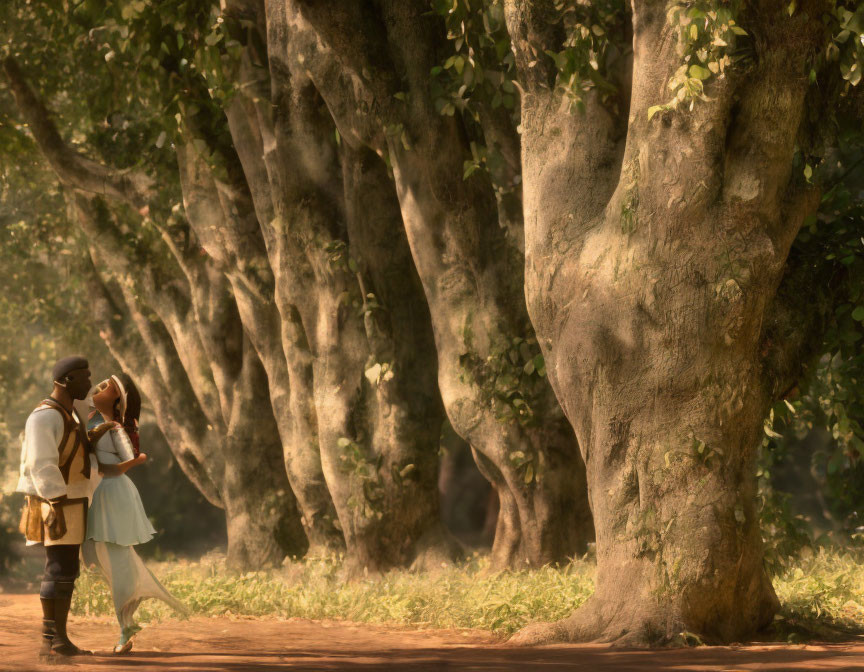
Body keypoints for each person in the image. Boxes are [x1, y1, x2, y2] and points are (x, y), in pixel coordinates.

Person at [16, 356, 141, 660]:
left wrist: (91, 437)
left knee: (67, 570)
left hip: (72, 501)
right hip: (56, 503)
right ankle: (50, 642)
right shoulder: (44, 416)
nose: (90, 382)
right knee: (57, 568)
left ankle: (59, 639)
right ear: (66, 381)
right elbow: (41, 464)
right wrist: (55, 503)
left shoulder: (68, 413)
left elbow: (71, 451)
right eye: (84, 377)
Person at [82, 373, 188, 654]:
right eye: (102, 383)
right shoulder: (92, 418)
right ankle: (129, 610)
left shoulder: (113, 426)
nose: (101, 386)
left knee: (116, 558)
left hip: (115, 491)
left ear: (118, 397)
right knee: (113, 558)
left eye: (109, 386)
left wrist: (133, 461)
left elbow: (121, 464)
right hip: (104, 492)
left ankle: (124, 626)